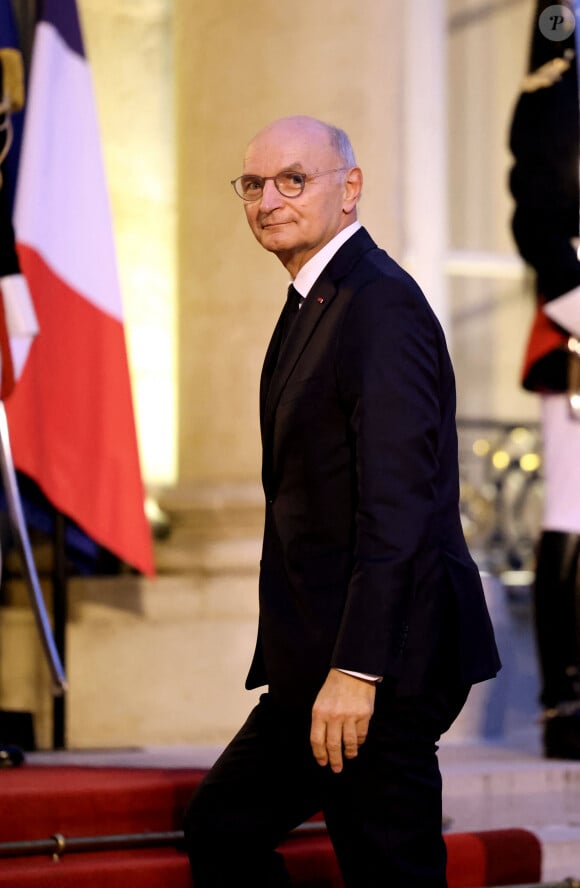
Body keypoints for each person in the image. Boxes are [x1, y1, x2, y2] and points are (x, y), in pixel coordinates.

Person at [184, 115, 501, 887]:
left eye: (294, 179)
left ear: (349, 189)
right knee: (222, 827)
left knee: (389, 872)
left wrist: (359, 673)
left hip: (378, 665)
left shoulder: (378, 304)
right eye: (254, 185)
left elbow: (399, 507)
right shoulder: (316, 298)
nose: (269, 200)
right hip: (317, 666)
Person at [509, 0, 580, 759]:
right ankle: (566, 700)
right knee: (573, 508)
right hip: (576, 326)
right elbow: (536, 208)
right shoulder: (565, 65)